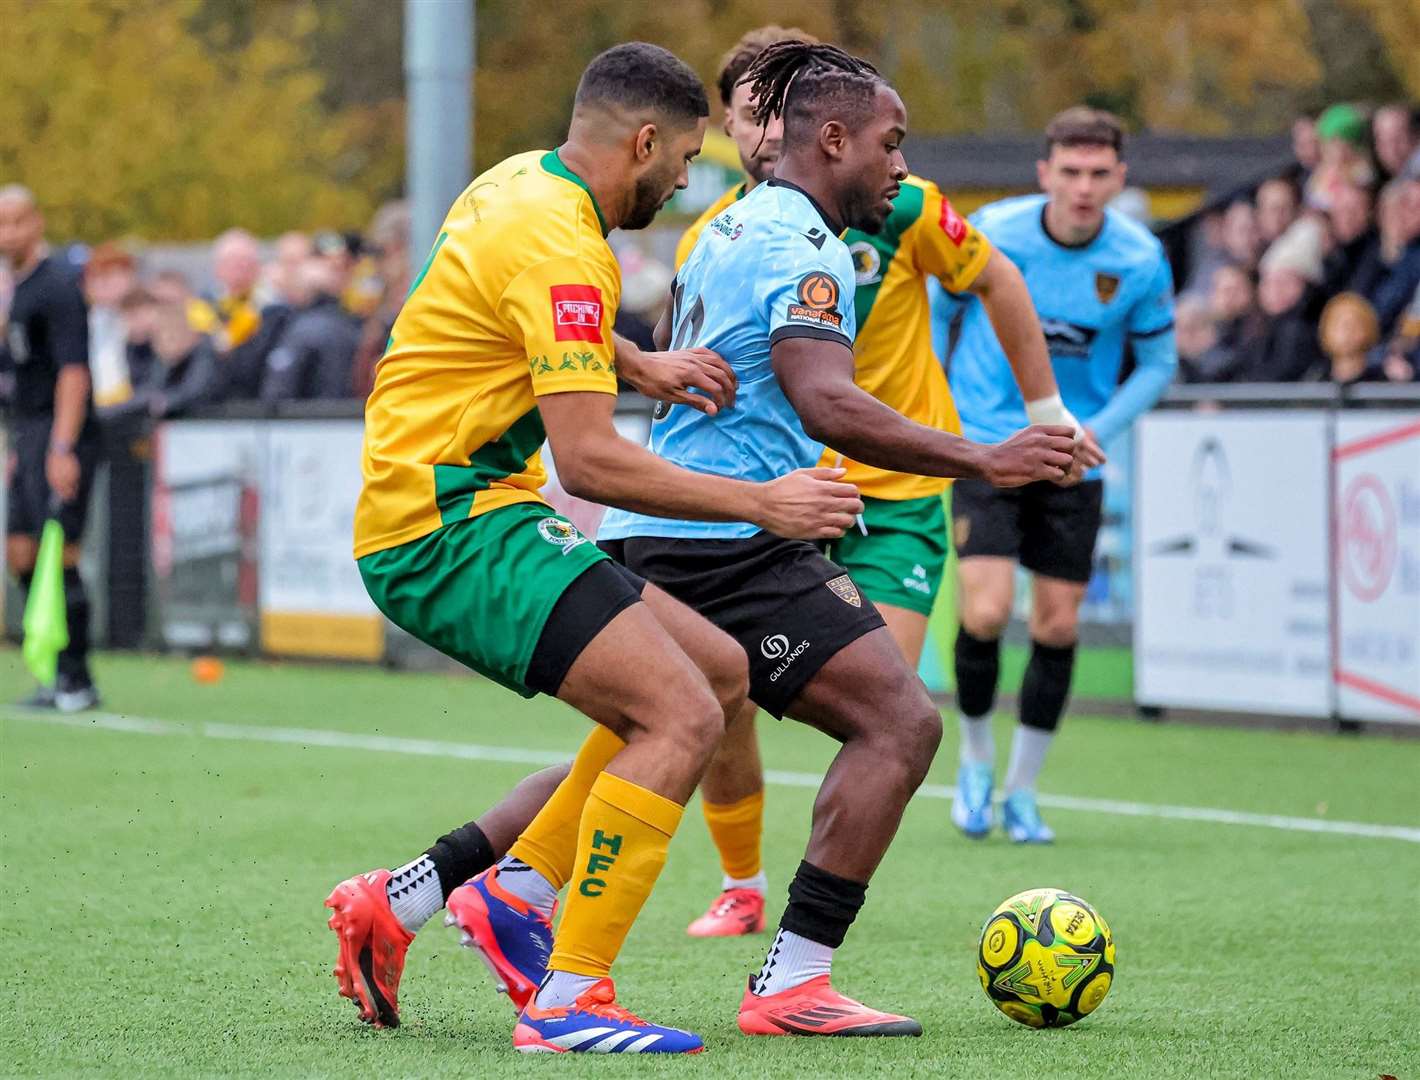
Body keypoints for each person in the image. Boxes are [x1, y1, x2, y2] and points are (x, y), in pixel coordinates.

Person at [323, 42, 861, 1055]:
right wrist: (767, 505)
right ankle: (568, 994)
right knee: (679, 714)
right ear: (644, 140)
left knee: (717, 671)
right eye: (686, 158)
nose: (685, 181)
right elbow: (591, 459)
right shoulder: (567, 243)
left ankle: (434, 900)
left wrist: (634, 362)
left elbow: (504, 307)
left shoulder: (520, 182)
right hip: (451, 525)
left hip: (448, 506)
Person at [593, 40, 1074, 1036]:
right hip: (728, 536)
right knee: (897, 725)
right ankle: (787, 982)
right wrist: (988, 457)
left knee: (673, 727)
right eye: (891, 144)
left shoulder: (730, 227)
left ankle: (459, 886)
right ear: (834, 136)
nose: (900, 167)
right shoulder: (803, 246)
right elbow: (828, 403)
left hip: (686, 524)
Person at [941, 107, 1178, 843]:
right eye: (1069, 172)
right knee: (983, 612)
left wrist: (1095, 430)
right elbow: (931, 308)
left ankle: (1022, 790)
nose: (1082, 187)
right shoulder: (994, 234)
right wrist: (944, 405)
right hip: (988, 443)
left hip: (1075, 457)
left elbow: (1161, 361)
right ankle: (975, 762)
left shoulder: (1138, 259)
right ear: (1045, 173)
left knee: (1059, 623)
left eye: (1097, 174)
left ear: (1119, 178)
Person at [0, 185, 101, 711]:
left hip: (64, 432)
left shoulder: (58, 284)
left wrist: (62, 446)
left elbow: (73, 371)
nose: (7, 233)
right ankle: (56, 672)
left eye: (16, 221)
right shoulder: (16, 289)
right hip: (31, 433)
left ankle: (76, 678)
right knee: (20, 551)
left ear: (36, 223)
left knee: (58, 551)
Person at [259, 257, 361, 401]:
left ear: (304, 290)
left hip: (308, 417)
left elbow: (280, 385)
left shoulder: (301, 330)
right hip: (349, 415)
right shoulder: (351, 325)